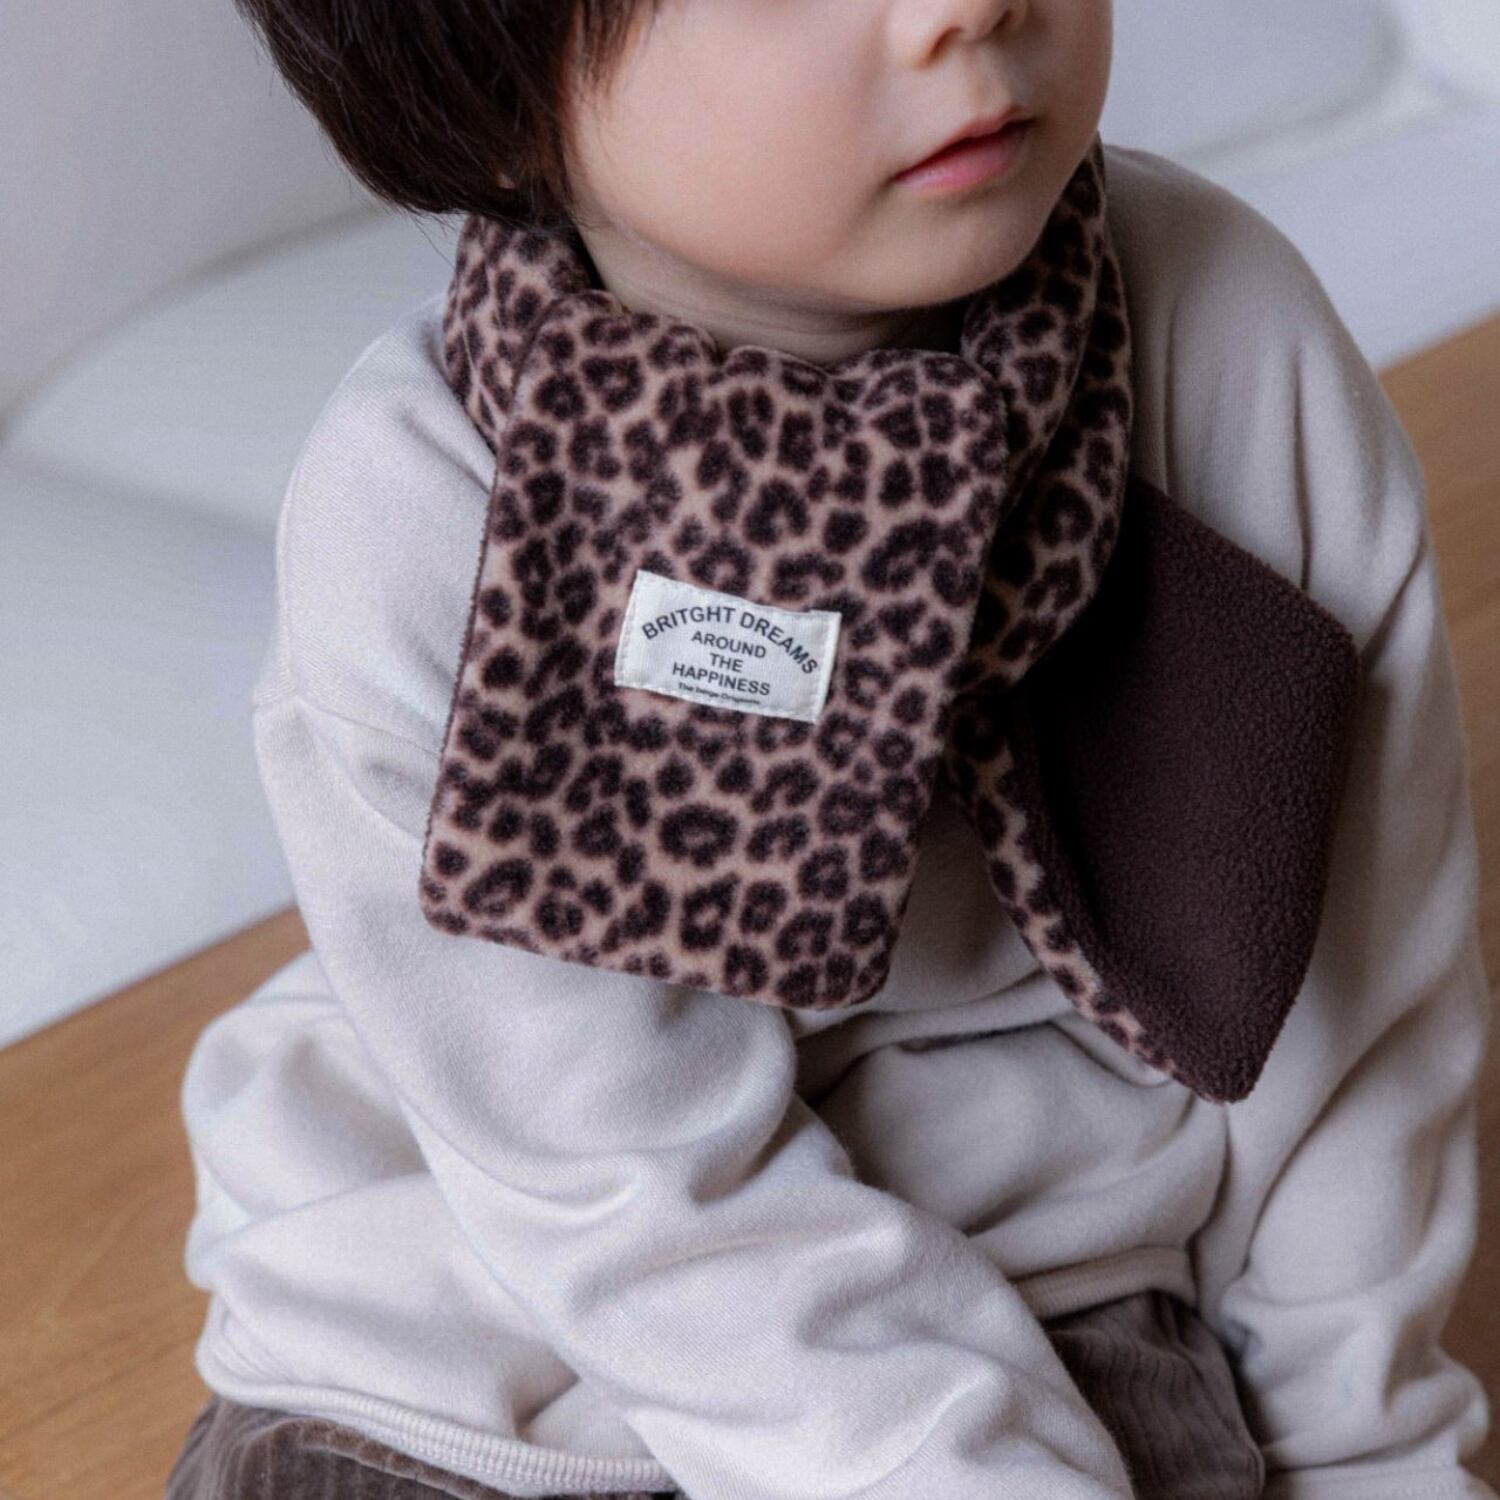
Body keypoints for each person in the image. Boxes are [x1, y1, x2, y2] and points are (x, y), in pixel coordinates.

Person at [165, 1, 1496, 1496]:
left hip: (1056, 1295)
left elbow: (1363, 985)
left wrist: (1366, 1441)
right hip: (460, 1347)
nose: (963, 7)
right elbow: (622, 1179)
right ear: (490, 88)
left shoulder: (1223, 336)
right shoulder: (420, 520)